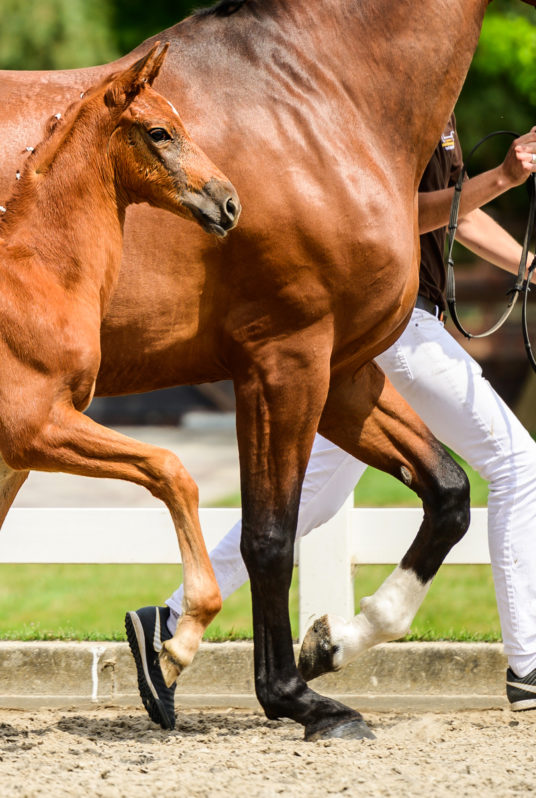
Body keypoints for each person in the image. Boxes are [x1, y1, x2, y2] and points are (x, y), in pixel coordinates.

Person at [126, 117, 536, 731]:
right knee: (517, 465)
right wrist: (503, 177)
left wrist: (531, 266)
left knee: (311, 497)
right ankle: (528, 663)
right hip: (399, 330)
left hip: (385, 331)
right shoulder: (402, 105)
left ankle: (169, 615)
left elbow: (462, 216)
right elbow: (406, 213)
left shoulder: (440, 114)